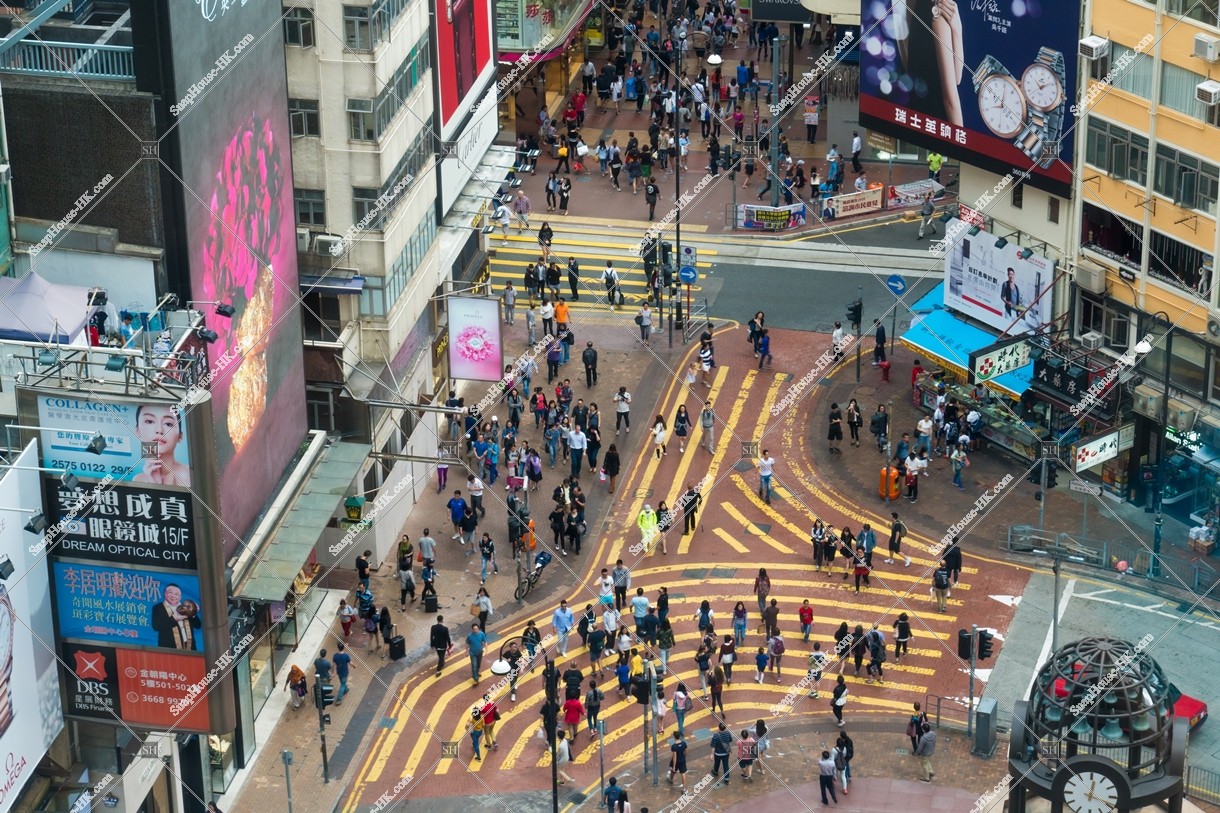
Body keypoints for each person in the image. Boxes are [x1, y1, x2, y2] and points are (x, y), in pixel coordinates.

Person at [151, 583, 201, 650]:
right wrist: (174, 619)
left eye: (176, 594)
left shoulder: (186, 606)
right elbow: (156, 627)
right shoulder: (158, 608)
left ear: (180, 597)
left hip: (190, 648)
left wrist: (193, 612)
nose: (173, 596)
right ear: (165, 593)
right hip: (169, 650)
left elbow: (198, 626)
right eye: (170, 593)